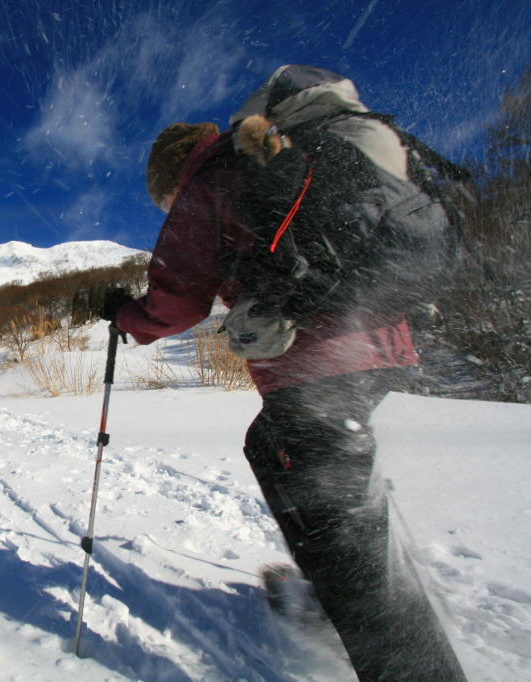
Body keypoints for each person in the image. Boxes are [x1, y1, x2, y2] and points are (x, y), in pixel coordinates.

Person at [101, 66, 467, 681]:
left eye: (161, 200)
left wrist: (129, 319)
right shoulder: (277, 156)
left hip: (323, 357)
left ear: (170, 177)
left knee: (312, 482)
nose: (165, 209)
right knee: (313, 469)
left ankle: (403, 657)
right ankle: (341, 589)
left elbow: (179, 300)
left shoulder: (212, 177)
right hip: (378, 343)